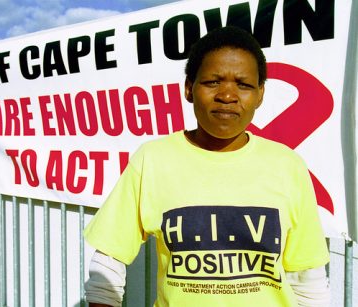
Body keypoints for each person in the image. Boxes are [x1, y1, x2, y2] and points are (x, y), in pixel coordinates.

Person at [84, 26, 330, 307]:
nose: (227, 95)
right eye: (213, 82)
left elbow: (308, 280)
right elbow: (107, 265)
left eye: (244, 84)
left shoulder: (288, 165)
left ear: (260, 94)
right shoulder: (152, 160)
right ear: (189, 88)